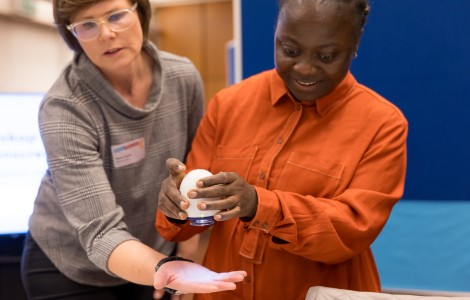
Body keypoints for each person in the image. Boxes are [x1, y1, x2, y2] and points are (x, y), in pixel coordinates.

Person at [155, 0, 408, 299]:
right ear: (275, 34)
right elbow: (186, 224)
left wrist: (259, 205)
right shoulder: (229, 105)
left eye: (326, 56)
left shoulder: (382, 124)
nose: (304, 67)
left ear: (354, 44)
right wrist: (178, 206)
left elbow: (351, 230)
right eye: (289, 50)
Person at [20, 0, 246, 299]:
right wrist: (169, 269)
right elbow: (99, 232)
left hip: (152, 254)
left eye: (116, 16)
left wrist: (186, 250)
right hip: (72, 265)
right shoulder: (65, 108)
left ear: (139, 11)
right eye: (87, 25)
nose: (107, 34)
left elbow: (191, 172)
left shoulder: (182, 77)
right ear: (72, 34)